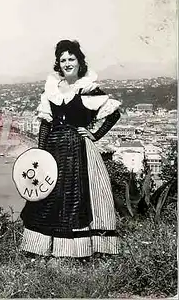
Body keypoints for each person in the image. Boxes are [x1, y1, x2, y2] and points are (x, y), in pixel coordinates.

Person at [20, 39, 122, 258]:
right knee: (49, 195)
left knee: (77, 197)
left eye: (71, 58)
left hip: (78, 151)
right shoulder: (51, 90)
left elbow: (114, 114)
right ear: (58, 63)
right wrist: (40, 154)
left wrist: (94, 135)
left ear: (79, 61)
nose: (67, 63)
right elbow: (45, 125)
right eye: (62, 59)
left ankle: (78, 250)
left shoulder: (88, 88)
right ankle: (42, 248)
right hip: (54, 150)